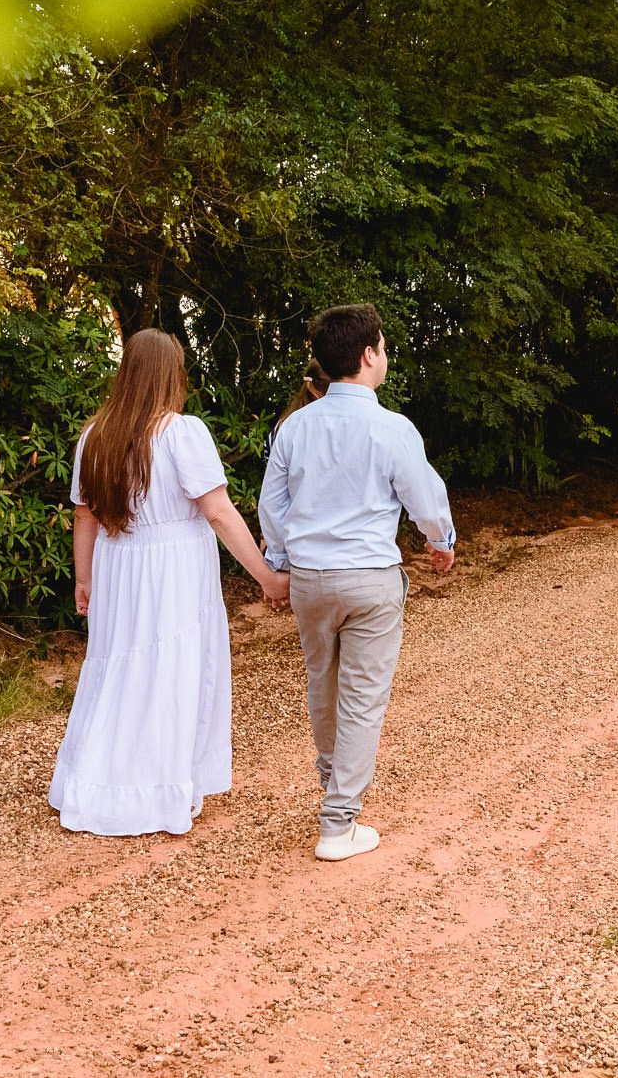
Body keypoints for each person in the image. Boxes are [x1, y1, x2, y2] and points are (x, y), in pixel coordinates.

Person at [50, 328, 290, 837]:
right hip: (172, 571)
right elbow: (220, 514)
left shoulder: (96, 436)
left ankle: (97, 779)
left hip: (119, 567)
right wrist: (267, 579)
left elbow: (85, 516)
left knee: (117, 671)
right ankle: (156, 790)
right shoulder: (182, 433)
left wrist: (85, 578)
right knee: (170, 672)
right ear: (170, 375)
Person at [259, 304, 456, 862]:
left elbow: (272, 503)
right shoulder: (392, 428)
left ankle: (333, 781)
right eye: (385, 348)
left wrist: (280, 558)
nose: (385, 356)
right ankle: (338, 820)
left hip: (310, 579)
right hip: (370, 578)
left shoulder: (294, 426)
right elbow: (424, 496)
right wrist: (440, 543)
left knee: (321, 681)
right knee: (364, 698)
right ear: (369, 355)